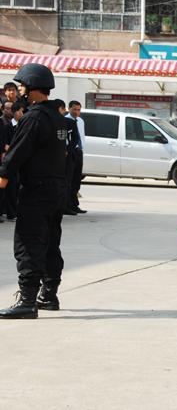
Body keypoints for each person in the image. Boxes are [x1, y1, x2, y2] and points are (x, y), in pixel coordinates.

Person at [0, 64, 68, 319]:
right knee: (50, 243)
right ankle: (48, 295)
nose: (19, 91)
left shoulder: (33, 118)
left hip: (37, 191)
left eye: (21, 86)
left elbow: (15, 155)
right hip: (57, 189)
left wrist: (3, 179)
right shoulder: (58, 118)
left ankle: (27, 301)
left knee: (28, 244)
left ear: (32, 87)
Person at [54, 99, 81, 216]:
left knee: (68, 182)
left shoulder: (69, 122)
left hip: (68, 156)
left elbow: (74, 139)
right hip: (55, 157)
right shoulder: (52, 122)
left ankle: (66, 205)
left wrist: (67, 150)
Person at [1, 100, 25, 222]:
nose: (22, 114)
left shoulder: (24, 125)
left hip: (19, 161)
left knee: (16, 187)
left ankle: (14, 211)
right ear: (15, 112)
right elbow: (4, 143)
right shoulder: (7, 126)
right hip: (8, 160)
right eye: (20, 111)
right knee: (9, 187)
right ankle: (9, 212)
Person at [65, 100, 86, 214]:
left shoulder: (81, 121)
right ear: (69, 109)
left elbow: (81, 136)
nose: (77, 112)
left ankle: (74, 204)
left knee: (77, 179)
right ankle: (66, 205)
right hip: (70, 152)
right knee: (69, 179)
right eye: (74, 109)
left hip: (79, 152)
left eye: (78, 110)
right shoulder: (65, 120)